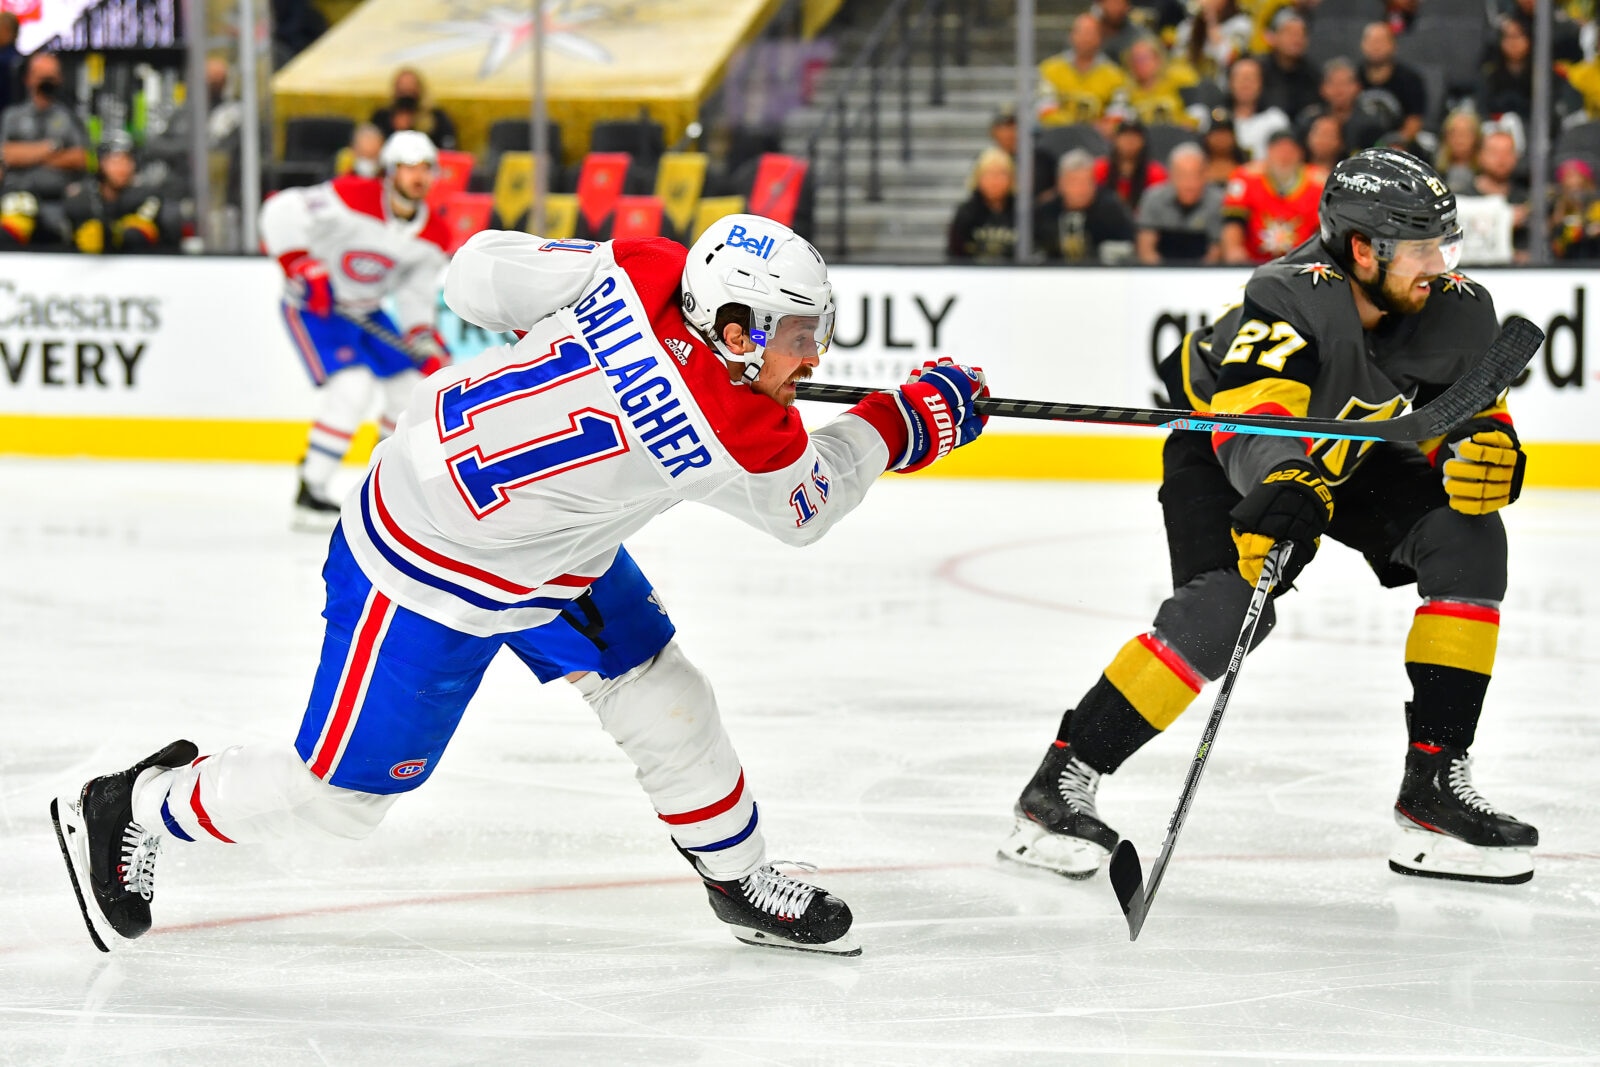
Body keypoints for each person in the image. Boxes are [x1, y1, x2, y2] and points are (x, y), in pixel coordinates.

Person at [50, 213, 990, 957]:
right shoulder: (733, 428)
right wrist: (906, 423)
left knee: (665, 690)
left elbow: (471, 276)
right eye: (795, 334)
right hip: (427, 570)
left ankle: (736, 877)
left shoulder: (646, 265)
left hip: (532, 543)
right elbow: (805, 507)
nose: (813, 357)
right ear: (735, 331)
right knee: (338, 799)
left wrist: (579, 308)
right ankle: (132, 804)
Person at [1001, 148, 1538, 887]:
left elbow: (1464, 415)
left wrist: (1489, 451)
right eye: (1420, 248)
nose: (1438, 264)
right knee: (1224, 612)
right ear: (1361, 248)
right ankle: (1056, 786)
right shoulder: (1288, 294)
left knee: (1469, 538)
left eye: (1444, 245)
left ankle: (1434, 787)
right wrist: (1283, 482)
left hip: (1352, 448)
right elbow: (1253, 420)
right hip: (1225, 447)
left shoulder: (1454, 305)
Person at [259, 130, 454, 529]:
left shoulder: (434, 233)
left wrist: (423, 336)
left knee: (408, 391)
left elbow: (416, 295)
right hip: (315, 306)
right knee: (352, 389)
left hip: (366, 312)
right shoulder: (350, 196)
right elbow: (280, 210)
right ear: (389, 172)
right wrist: (299, 263)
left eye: (424, 169)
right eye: (407, 168)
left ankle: (386, 491)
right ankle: (310, 491)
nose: (417, 177)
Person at [0, 51, 88, 244]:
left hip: (59, 200)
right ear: (29, 78)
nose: (47, 81)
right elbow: (6, 155)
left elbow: (81, 158)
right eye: (42, 75)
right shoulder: (12, 116)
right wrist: (53, 148)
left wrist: (26, 155)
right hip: (16, 198)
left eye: (52, 75)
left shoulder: (70, 117)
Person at [61, 130, 178, 253]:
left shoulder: (147, 197)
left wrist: (113, 235)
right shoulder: (82, 197)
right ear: (101, 163)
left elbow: (139, 234)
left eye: (127, 160)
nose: (122, 167)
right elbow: (68, 236)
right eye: (115, 161)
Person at [1220, 128, 1326, 263]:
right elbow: (1233, 222)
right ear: (1268, 152)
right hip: (1253, 262)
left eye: (1290, 151)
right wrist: (1233, 249)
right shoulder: (1246, 178)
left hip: (1302, 265)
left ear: (1301, 154)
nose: (1284, 157)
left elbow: (1324, 231)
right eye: (1279, 150)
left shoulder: (1318, 183)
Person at [1036, 148, 1137, 262]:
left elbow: (1130, 245)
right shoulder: (1046, 212)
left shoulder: (1112, 210)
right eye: (1074, 182)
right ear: (1060, 184)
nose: (1081, 189)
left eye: (1086, 182)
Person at [1135, 142, 1223, 263]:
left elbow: (1217, 250)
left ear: (1205, 175)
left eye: (1195, 175)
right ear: (1170, 176)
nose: (1189, 184)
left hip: (1204, 274)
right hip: (1159, 273)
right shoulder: (1153, 199)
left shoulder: (1219, 202)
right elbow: (1146, 248)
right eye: (1182, 176)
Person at [1037, 13, 1128, 126]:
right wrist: (1078, 129)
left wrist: (1093, 131)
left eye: (1091, 33)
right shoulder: (1050, 69)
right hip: (1057, 137)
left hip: (1099, 141)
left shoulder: (1116, 75)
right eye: (1082, 32)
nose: (1086, 38)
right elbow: (1046, 111)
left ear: (1100, 37)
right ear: (1071, 35)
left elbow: (1117, 115)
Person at [1296, 58, 1387, 156]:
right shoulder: (1309, 120)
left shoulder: (1370, 122)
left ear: (1358, 87)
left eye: (1345, 83)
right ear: (1322, 88)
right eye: (1333, 83)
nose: (1339, 90)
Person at [1358, 22, 1428, 144]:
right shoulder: (1353, 77)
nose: (1376, 46)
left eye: (1381, 41)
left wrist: (1396, 144)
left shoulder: (1410, 79)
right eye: (1371, 41)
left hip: (1397, 146)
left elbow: (1414, 120)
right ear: (1362, 45)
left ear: (1394, 45)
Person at [1470, 127, 1531, 261]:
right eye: (1494, 152)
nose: (1501, 159)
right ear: (1480, 156)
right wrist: (1505, 220)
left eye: (1507, 152)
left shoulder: (1525, 200)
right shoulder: (1463, 198)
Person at [947, 147, 1018, 262]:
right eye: (989, 174)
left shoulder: (1024, 213)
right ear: (978, 179)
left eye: (1001, 174)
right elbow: (954, 255)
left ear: (1012, 179)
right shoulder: (965, 214)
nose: (995, 181)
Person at [370, 67, 459, 151]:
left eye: (410, 87)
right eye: (402, 87)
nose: (406, 91)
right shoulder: (382, 117)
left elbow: (448, 149)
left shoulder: (436, 118)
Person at [1094, 117, 1167, 212]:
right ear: (1115, 140)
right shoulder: (1101, 168)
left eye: (1135, 137)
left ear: (1143, 142)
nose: (1129, 141)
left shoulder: (1155, 172)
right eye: (1125, 136)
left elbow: (1160, 206)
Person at [1259, 10, 1321, 122]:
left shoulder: (1313, 74)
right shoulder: (1258, 70)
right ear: (1271, 37)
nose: (1296, 39)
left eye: (1302, 34)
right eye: (1289, 33)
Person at [1225, 55, 1291, 161]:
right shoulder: (1219, 120)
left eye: (1251, 78)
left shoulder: (1275, 120)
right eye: (1240, 78)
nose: (1245, 84)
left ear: (1261, 83)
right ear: (1230, 83)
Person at [1435, 110, 1483, 193]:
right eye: (1454, 133)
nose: (1460, 139)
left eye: (1465, 133)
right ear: (1446, 137)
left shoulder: (1485, 174)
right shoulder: (1434, 175)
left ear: (1476, 138)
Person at [1201, 110, 1248, 189]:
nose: (1221, 138)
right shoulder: (1196, 165)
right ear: (1207, 137)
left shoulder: (1247, 167)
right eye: (1217, 133)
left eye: (1225, 133)